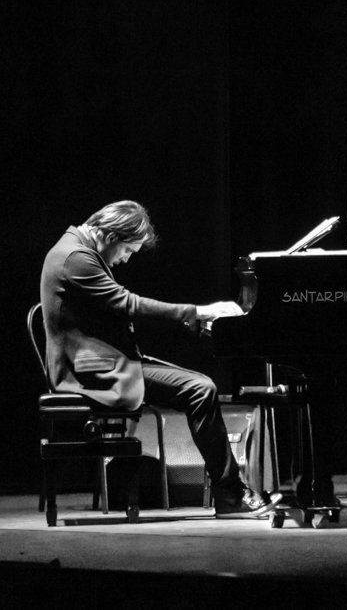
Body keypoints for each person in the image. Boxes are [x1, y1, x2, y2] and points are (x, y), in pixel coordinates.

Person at [40, 200, 281, 518]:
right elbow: (128, 304)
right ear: (112, 235)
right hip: (90, 372)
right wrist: (198, 312)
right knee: (200, 388)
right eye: (128, 249)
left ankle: (230, 493)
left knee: (198, 385)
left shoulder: (76, 249)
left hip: (104, 363)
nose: (125, 259)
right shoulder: (76, 258)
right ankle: (230, 495)